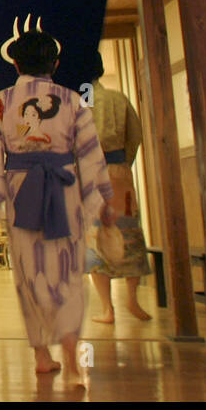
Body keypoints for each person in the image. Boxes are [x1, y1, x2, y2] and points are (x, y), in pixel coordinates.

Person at [0, 31, 115, 386]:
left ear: (16, 63)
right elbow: (89, 153)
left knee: (29, 274)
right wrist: (99, 203)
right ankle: (70, 360)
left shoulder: (1, 101)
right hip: (65, 189)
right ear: (54, 63)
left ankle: (42, 355)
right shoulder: (71, 100)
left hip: (20, 190)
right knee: (67, 274)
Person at [85, 52, 152, 323]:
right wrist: (124, 164)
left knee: (94, 241)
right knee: (128, 234)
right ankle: (132, 299)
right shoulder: (119, 99)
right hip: (119, 172)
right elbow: (135, 136)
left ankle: (107, 309)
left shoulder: (77, 104)